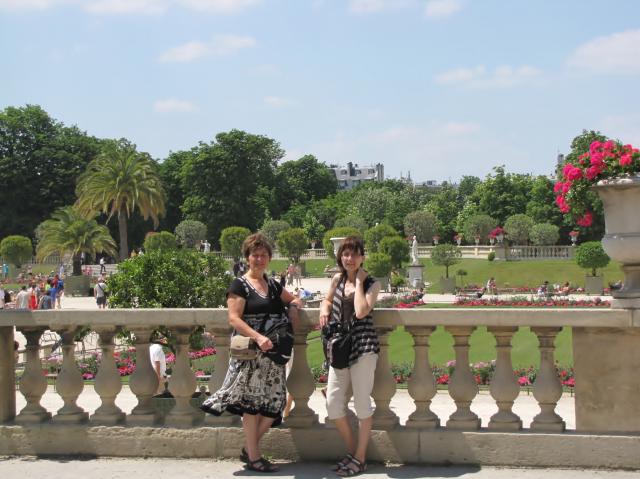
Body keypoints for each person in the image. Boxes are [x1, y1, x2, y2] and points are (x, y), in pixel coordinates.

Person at [200, 233, 303, 473]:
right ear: (247, 258)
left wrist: (295, 308)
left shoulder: (274, 284)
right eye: (255, 255)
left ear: (268, 258)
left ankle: (250, 448)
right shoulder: (239, 284)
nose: (259, 259)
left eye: (263, 255)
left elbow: (295, 299)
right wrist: (258, 337)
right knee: (252, 404)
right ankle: (255, 457)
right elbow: (234, 318)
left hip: (273, 354)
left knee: (274, 403)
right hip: (251, 353)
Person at [319, 236, 381, 477]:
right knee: (333, 404)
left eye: (354, 254)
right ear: (340, 257)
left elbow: (361, 311)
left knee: (363, 405)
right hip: (340, 347)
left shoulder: (372, 284)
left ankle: (360, 458)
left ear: (362, 257)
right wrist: (324, 309)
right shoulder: (337, 279)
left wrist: (359, 281)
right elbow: (326, 299)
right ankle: (354, 452)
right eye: (345, 254)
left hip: (363, 347)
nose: (349, 258)